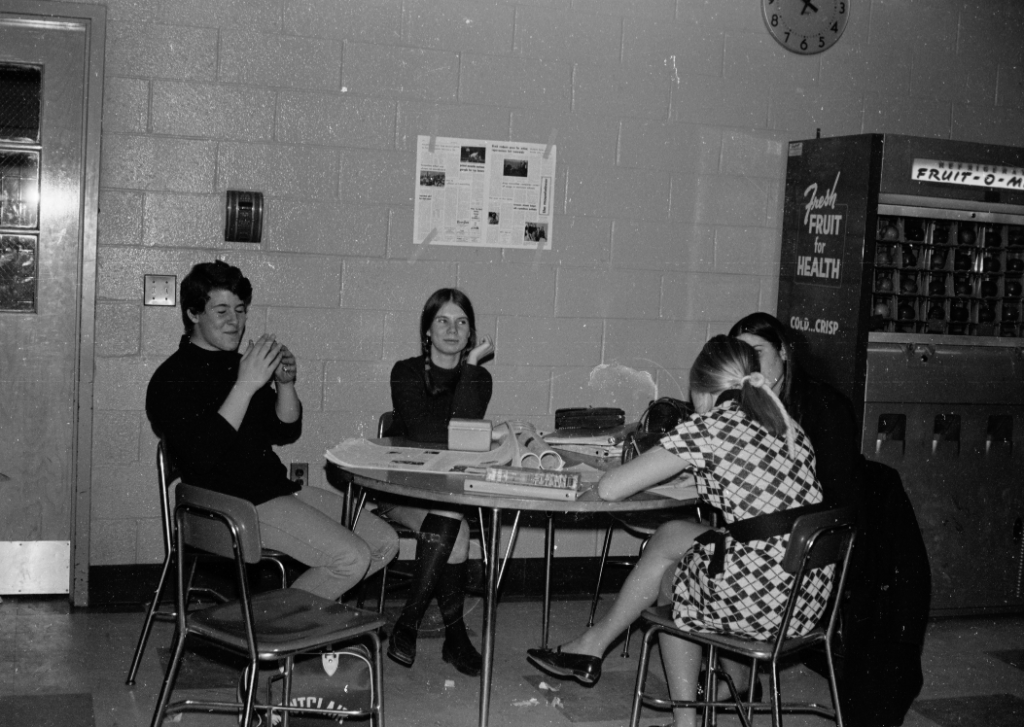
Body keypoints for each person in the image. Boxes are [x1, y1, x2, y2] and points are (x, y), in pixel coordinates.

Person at [527, 336, 833, 727]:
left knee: (673, 580)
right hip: (807, 597)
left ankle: (685, 721)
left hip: (764, 602)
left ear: (701, 389)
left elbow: (610, 489)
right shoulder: (788, 427)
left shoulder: (710, 426)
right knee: (672, 534)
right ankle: (592, 646)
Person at [146, 260, 398, 602]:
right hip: (230, 506)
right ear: (193, 314)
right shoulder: (171, 379)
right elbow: (201, 458)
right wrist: (245, 385)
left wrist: (285, 384)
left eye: (240, 310)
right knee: (350, 558)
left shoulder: (239, 363)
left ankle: (305, 621)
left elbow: (284, 429)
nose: (234, 321)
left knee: (384, 542)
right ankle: (272, 637)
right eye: (221, 311)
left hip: (275, 491)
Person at [384, 288, 494, 676]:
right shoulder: (406, 371)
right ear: (427, 329)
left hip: (448, 491)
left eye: (461, 322)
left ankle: (412, 624)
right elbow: (427, 431)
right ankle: (452, 635)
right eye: (443, 320)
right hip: (403, 489)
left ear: (471, 334)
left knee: (453, 524)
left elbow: (460, 425)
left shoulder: (479, 377)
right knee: (456, 530)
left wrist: (473, 366)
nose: (452, 329)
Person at [728, 312, 864, 512]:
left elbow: (833, 489)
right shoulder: (747, 401)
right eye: (741, 356)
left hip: (811, 519)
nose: (749, 364)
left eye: (756, 352)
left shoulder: (826, 405)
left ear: (782, 351)